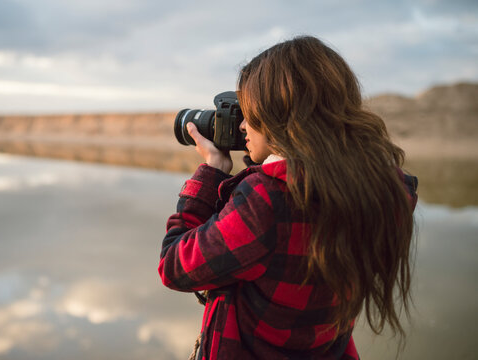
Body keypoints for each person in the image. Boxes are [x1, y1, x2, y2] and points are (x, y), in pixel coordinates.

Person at [158, 36, 418, 360]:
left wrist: (212, 172)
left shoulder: (266, 202)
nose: (241, 125)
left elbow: (175, 266)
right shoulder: (384, 191)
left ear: (278, 115)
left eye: (250, 112)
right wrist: (265, 159)